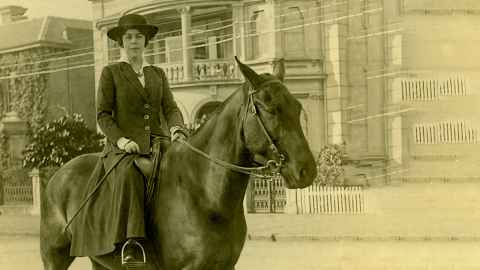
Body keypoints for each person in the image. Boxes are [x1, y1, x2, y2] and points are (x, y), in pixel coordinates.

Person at [69, 13, 187, 264]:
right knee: (130, 176)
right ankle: (132, 243)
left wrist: (177, 129)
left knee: (185, 170)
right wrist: (122, 140)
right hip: (123, 148)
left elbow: (171, 108)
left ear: (146, 42)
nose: (134, 41)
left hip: (159, 142)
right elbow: (103, 115)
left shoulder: (157, 74)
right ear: (121, 43)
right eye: (129, 37)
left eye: (139, 37)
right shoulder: (111, 73)